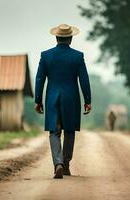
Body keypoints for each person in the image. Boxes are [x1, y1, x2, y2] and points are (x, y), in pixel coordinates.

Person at [35, 24, 92, 179]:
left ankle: (58, 163)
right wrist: (88, 100)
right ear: (71, 39)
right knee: (69, 131)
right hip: (71, 98)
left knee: (54, 132)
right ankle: (66, 165)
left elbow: (40, 79)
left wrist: (38, 100)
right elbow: (84, 80)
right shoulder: (78, 56)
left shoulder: (45, 55)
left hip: (52, 97)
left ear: (56, 38)